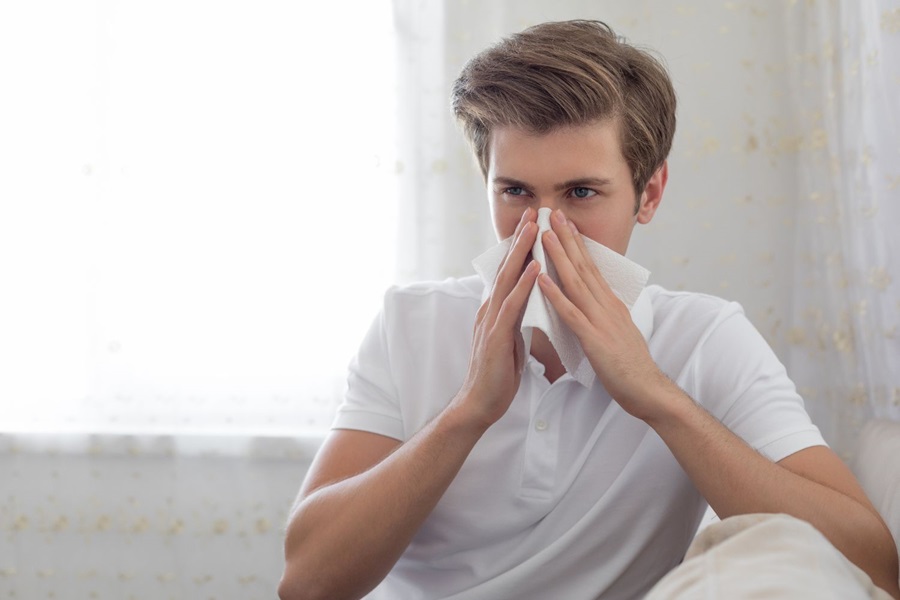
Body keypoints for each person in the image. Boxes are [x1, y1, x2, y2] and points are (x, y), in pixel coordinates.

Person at [278, 20, 900, 600]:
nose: (545, 228)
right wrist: (467, 412)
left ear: (648, 194)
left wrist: (655, 394)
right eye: (515, 191)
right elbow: (306, 582)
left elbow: (874, 566)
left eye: (581, 193)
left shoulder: (707, 338)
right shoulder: (408, 325)